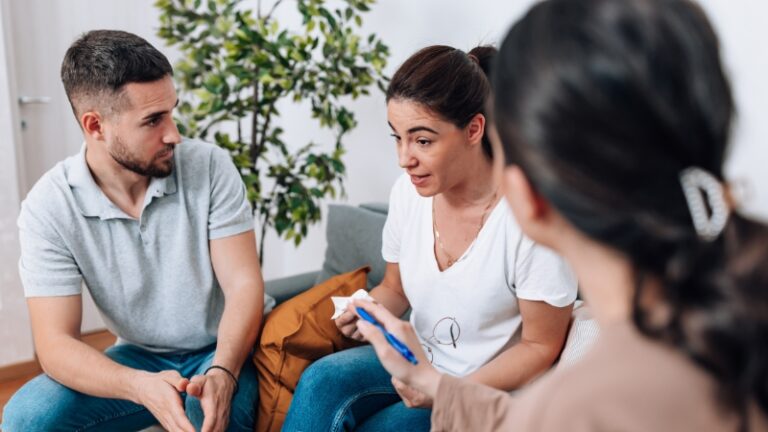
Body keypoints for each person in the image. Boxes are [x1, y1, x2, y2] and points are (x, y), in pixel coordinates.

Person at [353, 0, 768, 430]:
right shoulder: (730, 321)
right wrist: (438, 385)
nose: (406, 158)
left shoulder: (577, 408)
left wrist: (442, 388)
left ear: (527, 192)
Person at [282, 45, 578, 431]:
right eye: (397, 138)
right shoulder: (408, 194)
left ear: (474, 129)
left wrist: (446, 391)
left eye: (422, 141)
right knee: (320, 382)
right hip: (416, 357)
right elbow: (395, 288)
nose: (404, 158)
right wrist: (367, 312)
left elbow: (540, 347)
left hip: (484, 387)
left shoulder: (527, 218)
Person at [1, 30, 265, 432]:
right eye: (153, 120)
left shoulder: (209, 166)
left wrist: (223, 372)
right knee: (27, 418)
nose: (174, 134)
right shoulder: (48, 207)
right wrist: (138, 386)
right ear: (95, 125)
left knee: (205, 416)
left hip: (223, 349)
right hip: (139, 357)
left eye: (172, 112)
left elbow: (244, 284)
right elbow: (55, 344)